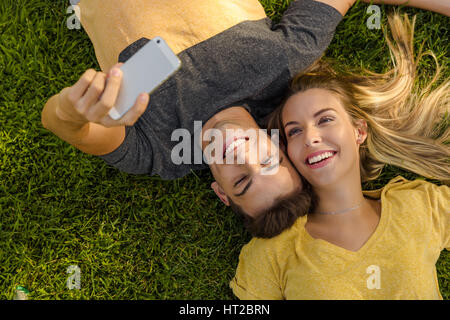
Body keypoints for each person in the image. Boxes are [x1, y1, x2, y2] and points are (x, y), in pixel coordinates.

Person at [41, 1, 446, 231]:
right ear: (280, 143)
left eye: (241, 180)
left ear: (221, 193)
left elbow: (60, 125)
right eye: (268, 161)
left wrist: (72, 109)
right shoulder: (283, 63)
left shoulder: (159, 154)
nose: (242, 155)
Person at [230, 11, 449, 299]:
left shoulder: (421, 206)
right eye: (294, 132)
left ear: (359, 131)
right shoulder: (274, 250)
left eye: (325, 120)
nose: (310, 137)